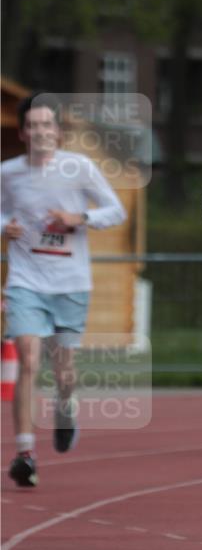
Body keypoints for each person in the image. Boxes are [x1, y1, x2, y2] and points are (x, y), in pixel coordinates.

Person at [1, 92, 126, 487]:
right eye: (33, 126)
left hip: (71, 283)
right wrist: (5, 227)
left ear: (58, 131)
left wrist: (80, 217)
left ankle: (65, 409)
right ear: (23, 133)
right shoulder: (8, 173)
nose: (40, 132)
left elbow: (115, 210)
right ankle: (24, 452)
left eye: (47, 125)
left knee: (63, 370)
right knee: (27, 358)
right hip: (26, 279)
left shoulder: (80, 167)